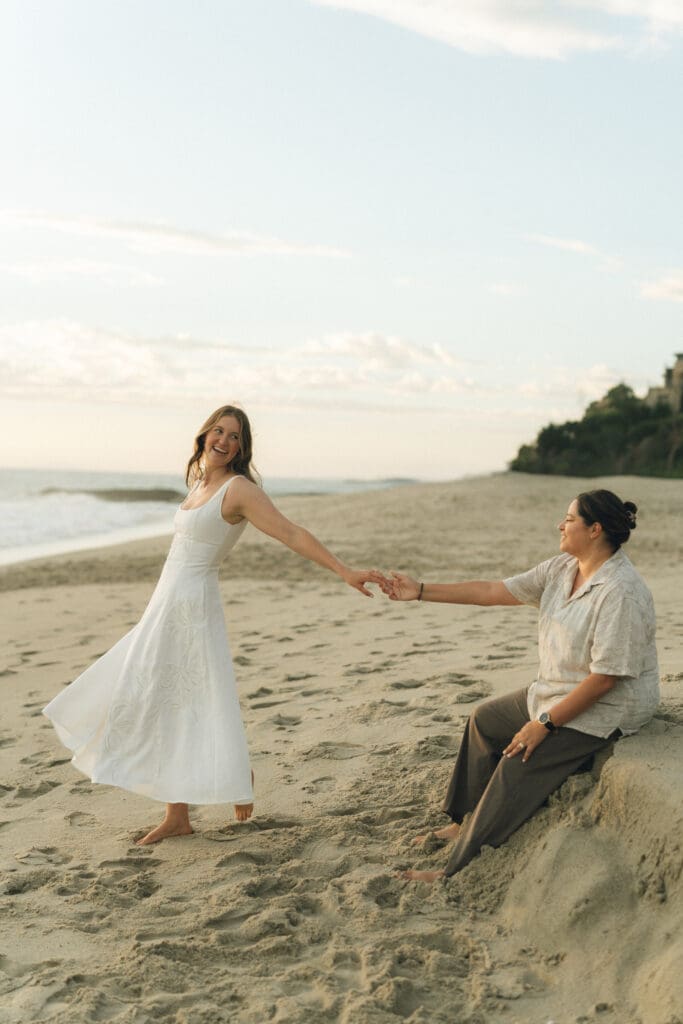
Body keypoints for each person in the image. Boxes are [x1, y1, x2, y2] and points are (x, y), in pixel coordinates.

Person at [44, 405, 382, 845]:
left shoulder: (240, 490)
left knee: (192, 695)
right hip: (165, 603)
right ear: (204, 435)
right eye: (218, 431)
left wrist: (344, 570)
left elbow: (291, 533)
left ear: (242, 447)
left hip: (193, 607)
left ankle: (234, 772)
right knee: (158, 695)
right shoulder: (200, 481)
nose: (223, 440)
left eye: (234, 436)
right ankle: (178, 815)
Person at [379, 489, 659, 882]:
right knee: (484, 720)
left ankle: (453, 868)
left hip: (608, 706)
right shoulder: (563, 568)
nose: (560, 526)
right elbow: (494, 591)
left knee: (518, 759)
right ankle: (465, 820)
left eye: (569, 519)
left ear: (595, 530)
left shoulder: (621, 591)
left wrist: (543, 724)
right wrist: (421, 591)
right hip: (556, 689)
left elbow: (606, 678)